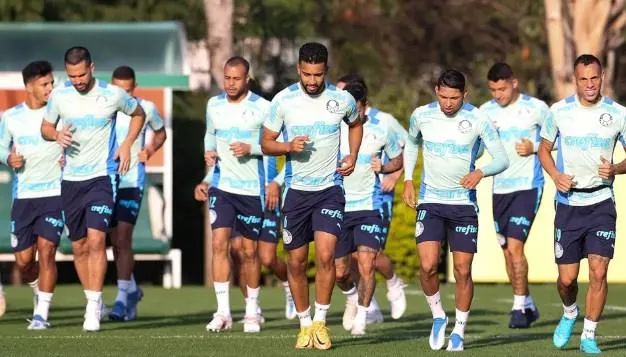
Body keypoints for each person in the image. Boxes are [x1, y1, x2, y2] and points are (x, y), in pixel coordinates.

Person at [261, 42, 362, 350]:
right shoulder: (283, 101)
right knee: (295, 261)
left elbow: (356, 124)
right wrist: (287, 147)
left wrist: (353, 155)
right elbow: (266, 143)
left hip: (329, 190)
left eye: (318, 74)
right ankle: (304, 324)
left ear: (326, 70)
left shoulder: (341, 99)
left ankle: (320, 322)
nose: (313, 80)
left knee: (327, 255)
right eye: (307, 74)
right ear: (299, 70)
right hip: (296, 193)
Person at [41, 46, 146, 332]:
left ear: (92, 68)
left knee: (98, 240)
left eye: (82, 74)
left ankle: (93, 306)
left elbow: (139, 114)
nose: (78, 80)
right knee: (79, 245)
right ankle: (93, 299)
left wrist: (126, 145)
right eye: (72, 75)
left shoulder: (112, 95)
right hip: (71, 180)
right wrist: (56, 135)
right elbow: (46, 127)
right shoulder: (60, 96)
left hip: (102, 177)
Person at [402, 69, 508, 351]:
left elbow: (502, 159)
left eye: (455, 98)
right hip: (431, 201)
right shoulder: (421, 115)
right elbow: (412, 144)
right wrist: (408, 179)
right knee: (426, 266)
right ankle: (438, 315)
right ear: (436, 90)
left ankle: (459, 330)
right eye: (444, 96)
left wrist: (481, 172)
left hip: (463, 204)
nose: (448, 103)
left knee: (462, 270)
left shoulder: (478, 119)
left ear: (465, 95)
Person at [538, 54, 626, 354]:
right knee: (567, 280)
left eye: (594, 78)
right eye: (583, 79)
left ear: (602, 77)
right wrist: (555, 175)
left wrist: (615, 168)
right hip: (568, 204)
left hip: (601, 203)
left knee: (599, 272)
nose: (590, 84)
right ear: (575, 80)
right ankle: (570, 312)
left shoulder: (618, 113)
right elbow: (544, 149)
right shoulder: (559, 111)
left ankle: (589, 334)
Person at [335, 74, 408, 329]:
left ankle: (366, 314)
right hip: (338, 207)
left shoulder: (383, 124)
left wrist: (390, 170)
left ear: (362, 104)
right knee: (342, 271)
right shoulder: (334, 127)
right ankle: (357, 300)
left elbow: (404, 152)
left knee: (369, 259)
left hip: (371, 204)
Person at [479, 62, 548, 328]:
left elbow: (559, 138)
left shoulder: (537, 108)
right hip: (500, 190)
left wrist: (535, 146)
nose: (498, 94)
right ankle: (528, 303)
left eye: (502, 88)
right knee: (508, 251)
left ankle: (519, 308)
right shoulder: (485, 112)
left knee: (516, 245)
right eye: (493, 89)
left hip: (528, 186)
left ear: (514, 83)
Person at [203, 56, 267, 333]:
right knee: (220, 244)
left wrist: (252, 148)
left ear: (247, 80)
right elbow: (209, 135)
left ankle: (252, 311)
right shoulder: (213, 104)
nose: (230, 84)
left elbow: (277, 145)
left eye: (236, 79)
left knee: (249, 252)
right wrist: (208, 152)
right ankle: (223, 312)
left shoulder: (264, 108)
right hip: (223, 187)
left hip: (252, 189)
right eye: (227, 78)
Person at [0, 61, 60, 329]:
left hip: (55, 193)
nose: (50, 88)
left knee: (47, 252)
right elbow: (0, 148)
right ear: (29, 86)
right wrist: (8, 158)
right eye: (44, 84)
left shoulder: (60, 113)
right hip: (24, 197)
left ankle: (41, 315)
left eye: (51, 83)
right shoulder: (11, 117)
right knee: (25, 263)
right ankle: (38, 289)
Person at [107, 65, 167, 321]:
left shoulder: (146, 108)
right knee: (110, 242)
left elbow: (161, 133)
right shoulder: (103, 107)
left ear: (135, 87)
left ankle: (120, 299)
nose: (124, 95)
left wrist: (150, 151)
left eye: (128, 90)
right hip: (104, 181)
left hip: (131, 181)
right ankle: (131, 290)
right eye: (120, 90)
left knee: (122, 239)